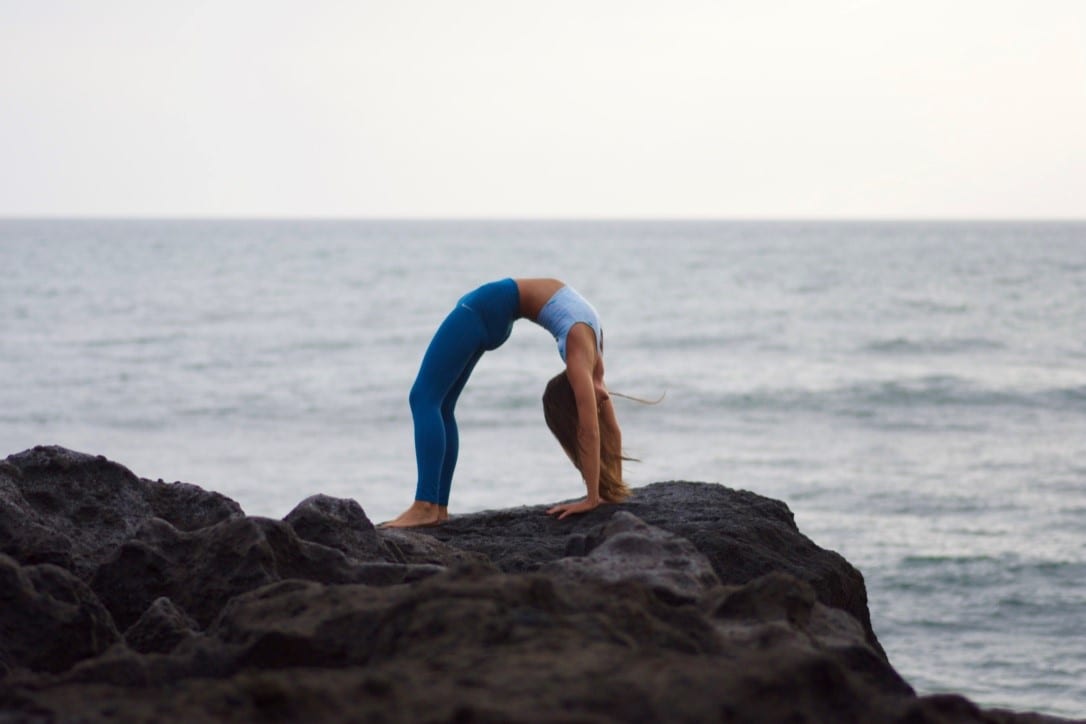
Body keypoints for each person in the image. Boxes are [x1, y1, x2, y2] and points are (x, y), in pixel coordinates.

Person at [381, 278, 629, 528]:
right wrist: (600, 496)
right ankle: (438, 508)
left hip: (485, 308)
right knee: (441, 405)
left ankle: (425, 504)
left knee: (423, 399)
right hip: (496, 311)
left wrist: (594, 499)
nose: (600, 406)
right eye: (593, 405)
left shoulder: (582, 357)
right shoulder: (593, 363)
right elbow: (607, 429)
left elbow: (594, 430)